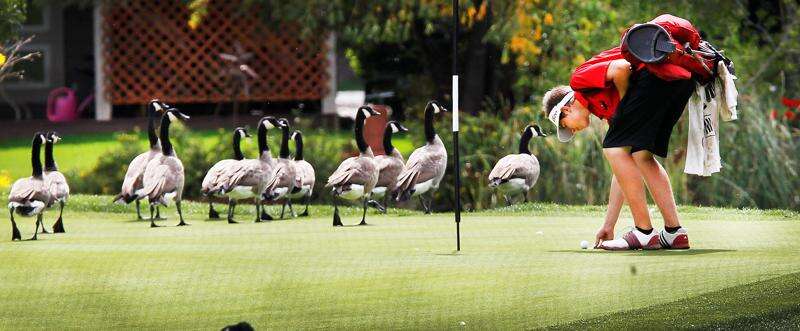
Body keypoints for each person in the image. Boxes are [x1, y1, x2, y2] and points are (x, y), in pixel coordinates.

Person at [542, 14, 706, 250]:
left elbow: (621, 68)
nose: (573, 131)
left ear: (566, 109)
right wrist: (609, 224)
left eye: (567, 126)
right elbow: (622, 171)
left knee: (614, 148)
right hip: (678, 80)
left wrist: (624, 100)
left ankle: (644, 232)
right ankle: (674, 232)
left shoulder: (578, 81)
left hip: (658, 75)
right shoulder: (603, 109)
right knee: (639, 155)